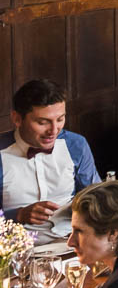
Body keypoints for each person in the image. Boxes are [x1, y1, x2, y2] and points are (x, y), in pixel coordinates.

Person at [2, 80, 102, 229]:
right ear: (17, 119)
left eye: (60, 119)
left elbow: (98, 196)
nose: (54, 130)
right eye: (43, 122)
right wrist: (18, 214)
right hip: (15, 246)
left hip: (72, 239)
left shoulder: (76, 145)